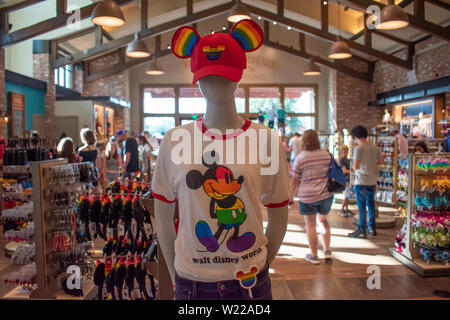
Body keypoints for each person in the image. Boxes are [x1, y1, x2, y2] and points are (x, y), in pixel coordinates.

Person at [290, 130, 333, 265]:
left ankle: (314, 255)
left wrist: (290, 196)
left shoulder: (301, 158)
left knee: (311, 225)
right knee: (324, 221)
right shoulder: (326, 154)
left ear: (304, 141)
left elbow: (294, 180)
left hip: (308, 196)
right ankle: (327, 251)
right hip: (326, 194)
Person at [348, 125, 384, 239]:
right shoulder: (375, 147)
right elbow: (381, 161)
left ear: (355, 136)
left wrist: (354, 167)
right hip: (372, 180)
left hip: (361, 180)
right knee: (371, 204)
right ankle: (372, 228)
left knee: (361, 206)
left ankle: (361, 229)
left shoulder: (359, 148)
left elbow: (356, 166)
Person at [338, 145, 352, 217]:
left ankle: (346, 209)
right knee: (347, 195)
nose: (346, 152)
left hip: (349, 179)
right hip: (345, 179)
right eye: (344, 151)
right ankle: (342, 209)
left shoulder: (348, 160)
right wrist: (352, 171)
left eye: (346, 150)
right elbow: (344, 170)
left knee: (347, 194)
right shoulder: (342, 160)